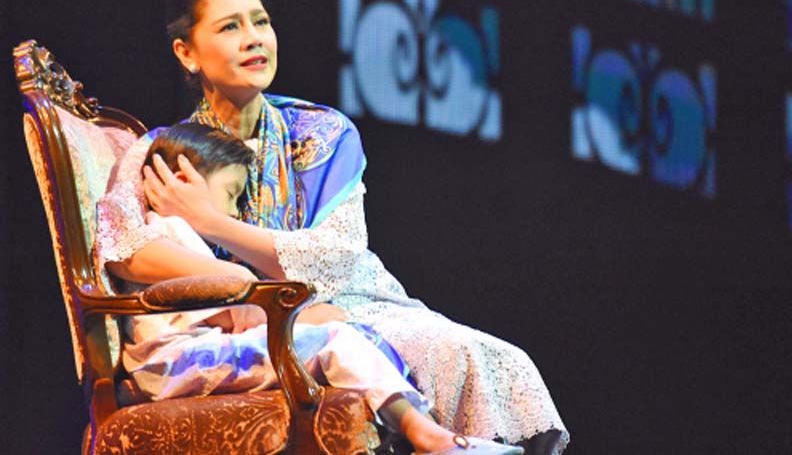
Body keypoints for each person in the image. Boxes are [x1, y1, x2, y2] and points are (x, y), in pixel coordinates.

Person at [96, 0, 568, 452]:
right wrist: (248, 288)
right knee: (423, 350)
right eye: (230, 26)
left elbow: (335, 258)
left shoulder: (323, 132)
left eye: (261, 21)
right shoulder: (164, 150)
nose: (253, 38)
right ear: (187, 53)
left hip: (352, 299)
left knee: (490, 358)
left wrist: (212, 223)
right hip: (254, 324)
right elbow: (124, 248)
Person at [110, 121, 522, 455]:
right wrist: (307, 316)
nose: (235, 212)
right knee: (336, 340)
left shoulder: (180, 238)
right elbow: (242, 312)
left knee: (345, 339)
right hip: (174, 363)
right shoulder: (169, 233)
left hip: (197, 355)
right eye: (232, 195)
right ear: (183, 179)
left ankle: (429, 433)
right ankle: (429, 436)